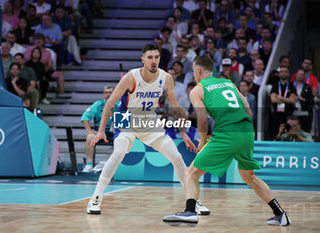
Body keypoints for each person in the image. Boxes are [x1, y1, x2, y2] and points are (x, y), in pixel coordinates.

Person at [162, 55, 291, 226]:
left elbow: (201, 118)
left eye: (194, 71)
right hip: (246, 131)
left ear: (198, 70)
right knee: (249, 177)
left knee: (191, 173)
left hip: (227, 133)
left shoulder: (197, 90)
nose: (194, 74)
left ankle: (190, 212)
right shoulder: (229, 83)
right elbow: (248, 111)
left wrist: (202, 140)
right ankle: (280, 214)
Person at [87, 44, 209, 216]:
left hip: (150, 121)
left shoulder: (166, 78)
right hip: (126, 119)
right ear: (143, 59)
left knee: (176, 157)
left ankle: (193, 201)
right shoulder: (131, 77)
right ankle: (95, 199)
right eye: (150, 57)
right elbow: (110, 103)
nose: (153, 61)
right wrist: (100, 131)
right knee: (118, 153)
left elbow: (175, 107)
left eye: (156, 57)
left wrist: (182, 132)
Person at [80, 86, 118, 173]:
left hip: (115, 133)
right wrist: (90, 131)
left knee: (125, 138)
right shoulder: (98, 104)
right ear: (103, 94)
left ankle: (118, 165)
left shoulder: (119, 104)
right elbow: (85, 117)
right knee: (90, 136)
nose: (108, 94)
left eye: (110, 92)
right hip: (100, 133)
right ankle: (89, 165)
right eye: (106, 92)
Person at [270, 67, 297, 139]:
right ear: (279, 74)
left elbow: (293, 100)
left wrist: (280, 97)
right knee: (276, 134)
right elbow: (273, 99)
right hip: (277, 115)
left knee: (288, 135)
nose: (283, 73)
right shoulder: (275, 85)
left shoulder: (291, 85)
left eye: (285, 71)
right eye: (281, 72)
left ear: (288, 74)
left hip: (288, 114)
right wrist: (287, 99)